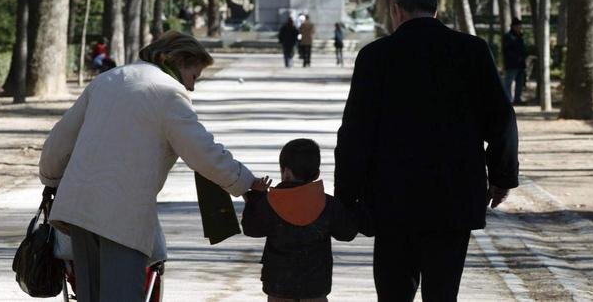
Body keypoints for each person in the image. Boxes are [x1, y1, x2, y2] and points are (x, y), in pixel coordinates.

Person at [39, 31, 270, 302]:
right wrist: (245, 182)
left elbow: (59, 140)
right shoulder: (169, 94)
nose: (192, 87)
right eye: (194, 76)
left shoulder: (108, 79)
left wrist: (50, 177)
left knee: (89, 296)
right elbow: (203, 152)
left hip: (77, 210)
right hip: (121, 216)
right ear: (181, 62)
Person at [334, 0, 519, 301]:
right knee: (443, 293)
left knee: (393, 293)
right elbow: (501, 118)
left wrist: (346, 196)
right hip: (454, 195)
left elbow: (355, 132)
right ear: (436, 9)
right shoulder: (472, 50)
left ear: (396, 11)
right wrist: (502, 177)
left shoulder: (376, 56)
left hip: (392, 198)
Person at [242, 138, 358, 302]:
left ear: (286, 172)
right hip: (316, 287)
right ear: (316, 174)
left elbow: (251, 228)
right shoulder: (328, 204)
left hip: (278, 286)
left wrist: (256, 196)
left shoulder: (270, 202)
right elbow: (347, 233)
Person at [502, 18, 528, 104]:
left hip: (520, 64)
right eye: (518, 26)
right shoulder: (508, 37)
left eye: (520, 26)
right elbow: (507, 51)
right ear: (513, 26)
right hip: (512, 64)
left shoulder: (520, 36)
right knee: (508, 82)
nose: (520, 28)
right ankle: (507, 99)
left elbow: (523, 49)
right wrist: (516, 57)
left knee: (520, 83)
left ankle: (517, 99)